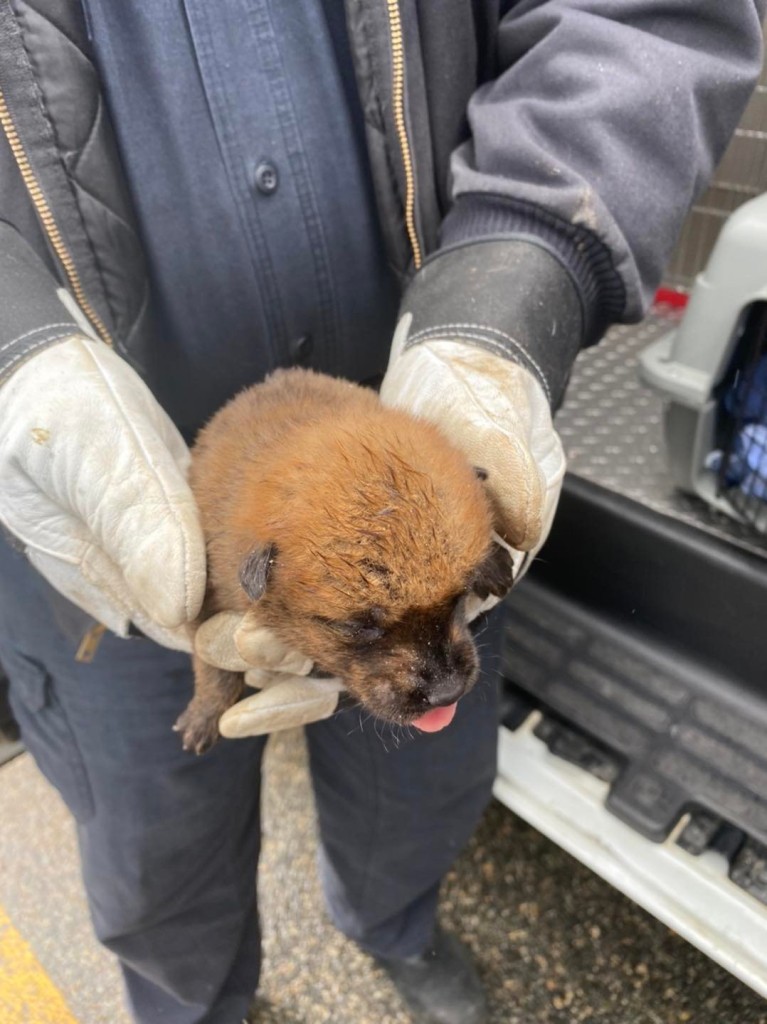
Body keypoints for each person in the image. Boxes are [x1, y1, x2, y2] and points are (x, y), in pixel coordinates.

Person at [0, 2, 763, 1022]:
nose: (441, 657)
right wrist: (11, 351)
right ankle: (191, 1002)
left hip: (418, 402)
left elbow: (640, 19)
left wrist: (518, 274)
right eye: (380, 630)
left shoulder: (439, 584)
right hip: (74, 483)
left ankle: (392, 921)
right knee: (150, 837)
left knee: (424, 779)